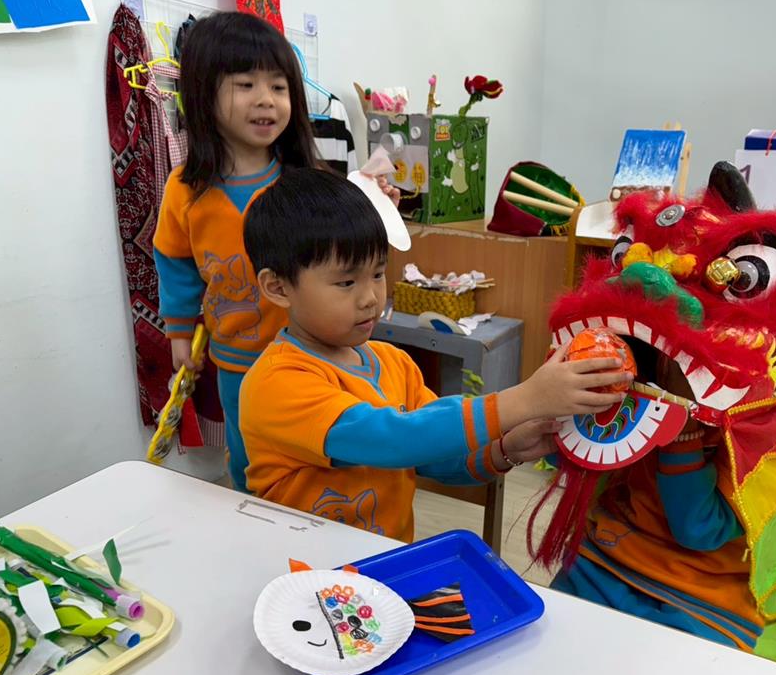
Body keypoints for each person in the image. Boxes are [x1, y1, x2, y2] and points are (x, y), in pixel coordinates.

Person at [239, 168, 632, 541]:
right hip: (300, 572)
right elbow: (392, 439)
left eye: (377, 273)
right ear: (278, 287)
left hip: (379, 569)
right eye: (345, 282)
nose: (370, 297)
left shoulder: (394, 364)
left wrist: (505, 449)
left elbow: (434, 456)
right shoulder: (276, 382)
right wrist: (523, 400)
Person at [153, 12, 396, 491]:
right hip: (238, 362)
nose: (266, 99)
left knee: (325, 464)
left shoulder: (307, 180)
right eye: (246, 85)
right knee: (250, 468)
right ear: (202, 93)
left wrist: (377, 205)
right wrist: (179, 334)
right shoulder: (185, 189)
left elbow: (351, 247)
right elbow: (177, 265)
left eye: (279, 87)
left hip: (317, 355)